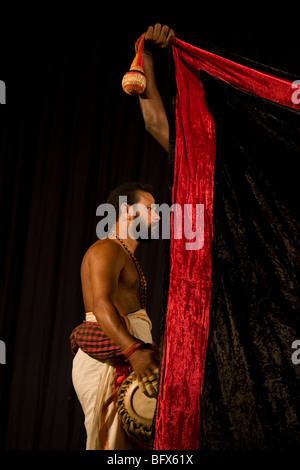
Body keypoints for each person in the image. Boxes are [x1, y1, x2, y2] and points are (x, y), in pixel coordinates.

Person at [71, 25, 174, 451]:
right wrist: (133, 350)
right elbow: (99, 306)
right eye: (151, 206)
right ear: (129, 209)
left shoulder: (130, 259)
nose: (159, 213)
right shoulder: (105, 249)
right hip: (113, 354)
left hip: (130, 353)